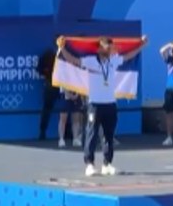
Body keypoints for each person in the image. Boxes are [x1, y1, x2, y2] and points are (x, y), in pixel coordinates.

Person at [56, 34, 148, 177]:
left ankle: (107, 164)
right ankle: (89, 164)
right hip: (95, 104)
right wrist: (62, 49)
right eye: (107, 47)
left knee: (109, 136)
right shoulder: (91, 61)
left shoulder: (113, 61)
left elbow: (129, 56)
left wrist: (142, 45)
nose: (110, 50)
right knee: (91, 134)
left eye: (111, 48)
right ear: (99, 48)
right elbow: (73, 60)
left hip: (110, 104)